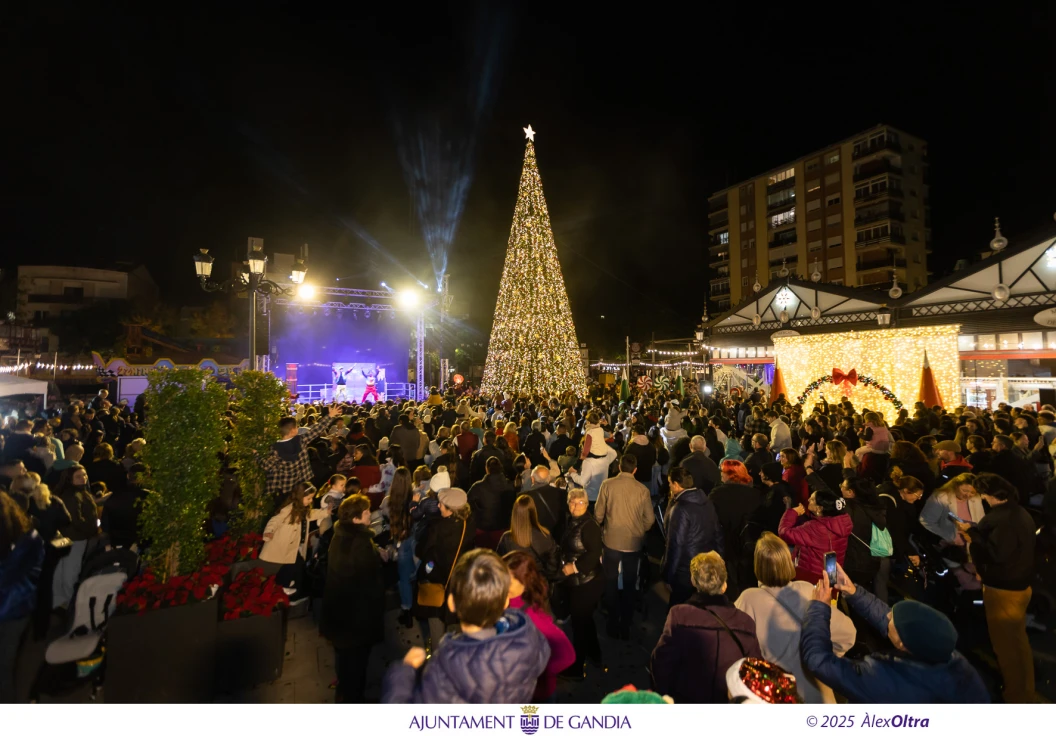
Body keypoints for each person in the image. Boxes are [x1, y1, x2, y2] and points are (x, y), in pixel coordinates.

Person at [800, 563, 989, 703]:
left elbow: (817, 660)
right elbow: (886, 618)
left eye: (893, 620)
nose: (888, 615)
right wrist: (854, 592)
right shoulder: (951, 659)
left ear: (902, 644)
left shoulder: (884, 679)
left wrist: (819, 607)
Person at [383, 549, 550, 704]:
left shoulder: (444, 667)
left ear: (451, 603)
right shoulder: (529, 637)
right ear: (506, 601)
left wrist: (403, 672)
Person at [734, 532, 855, 703]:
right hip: (818, 697)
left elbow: (736, 648)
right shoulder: (808, 591)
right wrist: (822, 658)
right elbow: (848, 635)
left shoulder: (748, 599)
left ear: (758, 565)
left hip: (777, 697)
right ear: (788, 561)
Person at [960, 473, 1037, 703]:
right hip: (1021, 585)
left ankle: (1016, 696)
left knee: (1006, 647)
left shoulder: (1001, 520)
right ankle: (1025, 690)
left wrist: (973, 542)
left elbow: (996, 555)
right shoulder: (1020, 512)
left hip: (1003, 590)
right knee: (1018, 643)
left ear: (989, 495)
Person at [650, 552, 762, 703]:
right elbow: (755, 673)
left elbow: (661, 662)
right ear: (724, 585)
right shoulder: (744, 623)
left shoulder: (680, 615)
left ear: (693, 581)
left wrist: (666, 697)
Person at [320, 494, 385, 703]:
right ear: (356, 519)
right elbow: (369, 580)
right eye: (366, 513)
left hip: (339, 614)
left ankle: (344, 693)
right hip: (356, 618)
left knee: (344, 660)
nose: (369, 515)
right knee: (357, 664)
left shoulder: (340, 536)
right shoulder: (360, 543)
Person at [594, 454, 655, 639]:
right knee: (630, 582)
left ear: (619, 467)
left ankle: (612, 621)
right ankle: (626, 623)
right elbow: (650, 519)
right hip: (633, 542)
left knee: (611, 581)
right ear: (635, 469)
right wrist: (640, 530)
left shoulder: (608, 485)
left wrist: (603, 525)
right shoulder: (642, 490)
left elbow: (598, 514)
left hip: (611, 541)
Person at [504, 550, 576, 702]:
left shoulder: (532, 615)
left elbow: (567, 655)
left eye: (508, 581)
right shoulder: (508, 604)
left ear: (523, 582)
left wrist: (537, 672)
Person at [414, 487, 475, 654]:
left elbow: (421, 550)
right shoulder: (467, 524)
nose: (438, 506)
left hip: (437, 580)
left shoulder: (438, 527)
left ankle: (437, 660)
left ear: (451, 509)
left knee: (436, 624)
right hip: (458, 581)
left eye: (442, 504)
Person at [0, 491, 44, 703]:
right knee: (6, 668)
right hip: (18, 610)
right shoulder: (28, 539)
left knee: (5, 670)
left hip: (12, 610)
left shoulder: (26, 542)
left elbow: (8, 577)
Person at [558, 487, 604, 679]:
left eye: (580, 502)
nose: (575, 506)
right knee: (585, 620)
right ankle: (595, 654)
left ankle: (577, 668)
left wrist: (574, 567)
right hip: (577, 582)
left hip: (587, 582)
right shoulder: (570, 520)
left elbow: (594, 554)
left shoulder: (590, 526)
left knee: (579, 624)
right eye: (572, 502)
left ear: (587, 504)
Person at [661, 466, 723, 608]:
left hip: (685, 569)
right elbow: (718, 534)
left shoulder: (680, 509)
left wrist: (668, 576)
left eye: (670, 483)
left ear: (676, 485)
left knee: (679, 608)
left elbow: (675, 544)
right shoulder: (707, 502)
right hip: (705, 564)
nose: (669, 486)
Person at [261, 482, 329, 595]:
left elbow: (312, 514)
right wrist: (269, 531)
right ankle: (283, 583)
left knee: (294, 563)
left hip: (296, 544)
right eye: (308, 498)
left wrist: (325, 513)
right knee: (296, 563)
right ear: (300, 496)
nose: (311, 501)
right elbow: (275, 520)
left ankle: (283, 583)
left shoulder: (303, 510)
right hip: (287, 544)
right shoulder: (288, 509)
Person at [260, 406, 342, 498]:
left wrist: (256, 455)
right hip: (303, 485)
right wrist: (330, 415)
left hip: (285, 489)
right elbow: (317, 429)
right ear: (293, 430)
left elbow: (267, 465)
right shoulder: (301, 441)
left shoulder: (274, 449)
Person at [709, 459, 762, 598]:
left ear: (730, 474)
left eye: (723, 471)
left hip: (726, 540)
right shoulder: (755, 494)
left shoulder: (717, 494)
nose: (720, 474)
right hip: (749, 542)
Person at [778, 488, 852, 584]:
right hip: (831, 575)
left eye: (812, 499)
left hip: (811, 576)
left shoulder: (815, 528)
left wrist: (792, 512)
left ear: (819, 508)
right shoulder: (840, 523)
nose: (808, 500)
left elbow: (785, 533)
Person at [52, 464, 99, 608]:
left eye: (84, 475)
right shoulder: (73, 496)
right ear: (69, 479)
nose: (83, 478)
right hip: (75, 538)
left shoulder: (74, 492)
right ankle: (70, 602)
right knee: (71, 571)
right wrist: (91, 530)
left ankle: (59, 602)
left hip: (65, 537)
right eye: (78, 476)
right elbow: (76, 520)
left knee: (61, 570)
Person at [839, 477, 889, 599]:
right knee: (864, 593)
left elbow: (827, 493)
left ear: (851, 492)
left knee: (853, 597)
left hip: (854, 561)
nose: (840, 488)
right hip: (872, 560)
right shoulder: (875, 508)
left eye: (843, 487)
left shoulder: (851, 508)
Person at [497, 495, 560, 581]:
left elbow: (499, 562)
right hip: (538, 582)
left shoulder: (507, 538)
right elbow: (553, 562)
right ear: (533, 511)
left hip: (517, 581)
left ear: (514, 513)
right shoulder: (545, 534)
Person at [467, 456, 515, 550]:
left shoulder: (478, 486)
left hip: (482, 528)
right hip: (503, 527)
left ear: (486, 468)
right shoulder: (509, 485)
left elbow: (467, 503)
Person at [518, 465, 566, 539]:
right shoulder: (562, 493)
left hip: (534, 538)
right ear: (549, 478)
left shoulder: (524, 497)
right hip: (555, 536)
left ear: (532, 479)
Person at [757, 461, 794, 533]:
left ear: (767, 476)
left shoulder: (778, 491)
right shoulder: (782, 487)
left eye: (761, 472)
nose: (759, 474)